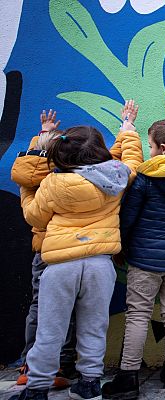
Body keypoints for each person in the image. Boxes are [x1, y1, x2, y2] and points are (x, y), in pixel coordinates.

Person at [10, 100, 143, 400]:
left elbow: (34, 217)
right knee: (94, 326)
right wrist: (127, 128)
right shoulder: (116, 177)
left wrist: (28, 188)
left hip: (60, 266)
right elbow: (132, 161)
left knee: (50, 329)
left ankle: (37, 387)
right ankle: (89, 383)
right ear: (100, 152)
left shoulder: (53, 185)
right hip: (100, 265)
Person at [101, 116, 165, 399]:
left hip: (144, 261)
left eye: (150, 146)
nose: (149, 151)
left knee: (138, 314)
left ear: (163, 148)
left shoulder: (146, 178)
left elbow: (129, 217)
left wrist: (119, 247)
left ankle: (128, 377)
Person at [11, 110, 77, 389]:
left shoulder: (30, 177)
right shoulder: (66, 176)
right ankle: (63, 362)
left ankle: (31, 362)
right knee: (70, 308)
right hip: (71, 250)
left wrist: (40, 138)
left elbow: (28, 165)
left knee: (40, 306)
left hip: (44, 250)